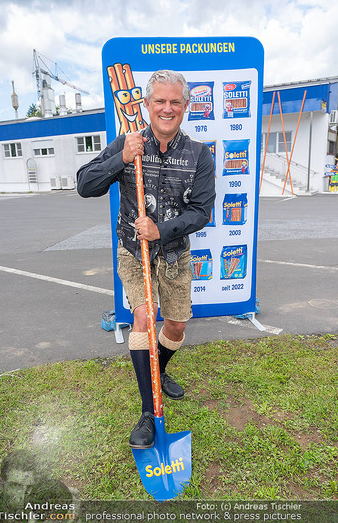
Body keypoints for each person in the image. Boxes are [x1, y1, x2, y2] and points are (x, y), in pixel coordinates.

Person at [77, 69, 216, 449]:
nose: (167, 108)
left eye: (175, 101)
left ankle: (157, 371)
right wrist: (119, 158)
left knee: (175, 326)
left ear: (185, 106)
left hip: (173, 254)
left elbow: (202, 212)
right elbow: (84, 185)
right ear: (147, 105)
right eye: (160, 101)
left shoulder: (200, 155)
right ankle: (148, 411)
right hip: (133, 252)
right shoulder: (129, 142)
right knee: (143, 315)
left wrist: (162, 229)